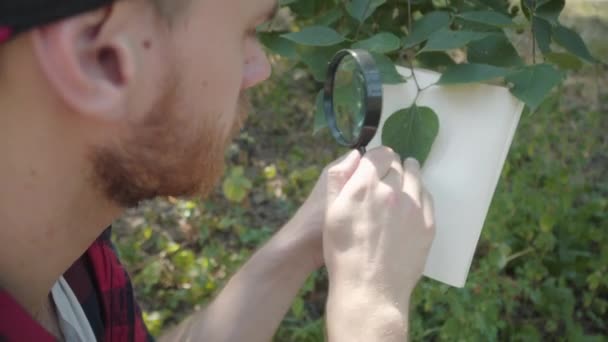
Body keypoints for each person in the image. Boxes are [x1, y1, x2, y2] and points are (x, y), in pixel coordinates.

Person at [0, 0, 436, 340]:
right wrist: (371, 315)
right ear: (104, 55)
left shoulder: (71, 266)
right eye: (246, 32)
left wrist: (298, 244)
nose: (261, 68)